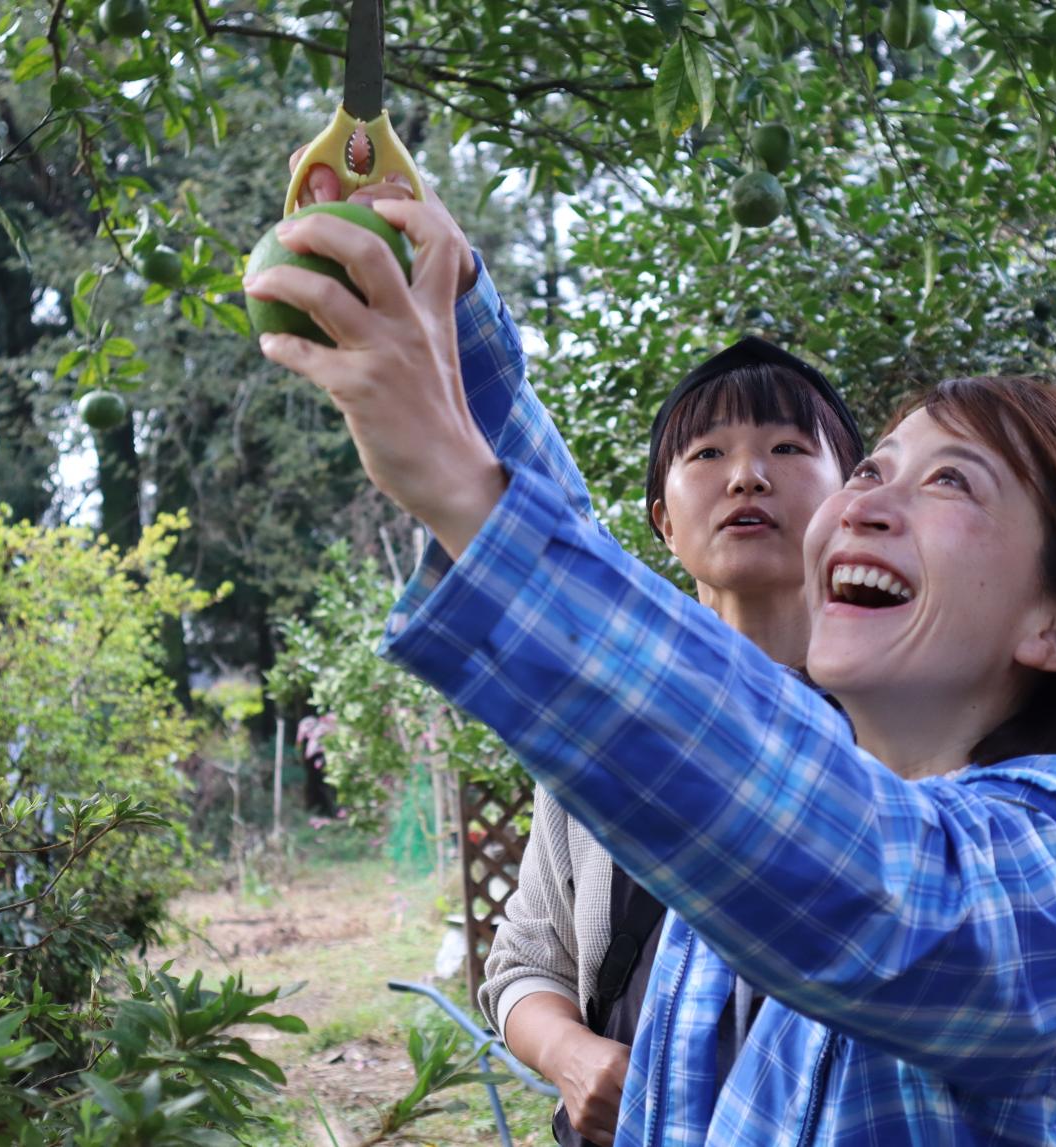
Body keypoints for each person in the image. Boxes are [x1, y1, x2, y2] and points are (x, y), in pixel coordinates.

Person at [244, 195, 1056, 1143]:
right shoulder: (749, 860)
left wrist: (466, 493)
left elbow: (882, 886)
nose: (866, 502)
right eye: (873, 468)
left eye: (950, 484)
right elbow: (699, 709)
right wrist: (452, 302)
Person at [284, 155, 866, 1147]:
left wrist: (457, 377)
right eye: (705, 454)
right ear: (663, 522)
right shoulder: (597, 743)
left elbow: (568, 572)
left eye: (784, 448)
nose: (745, 477)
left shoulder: (900, 725)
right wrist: (574, 1058)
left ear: (854, 500)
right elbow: (524, 961)